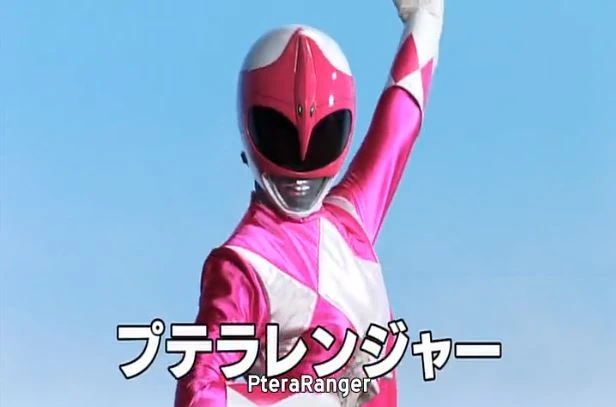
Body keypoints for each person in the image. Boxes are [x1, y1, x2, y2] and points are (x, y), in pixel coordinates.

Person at [174, 0, 445, 405]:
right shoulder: (243, 266)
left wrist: (425, 20)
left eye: (322, 140)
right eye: (280, 139)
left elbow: (398, 125)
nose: (299, 168)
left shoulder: (349, 222)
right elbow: (200, 388)